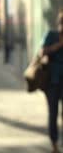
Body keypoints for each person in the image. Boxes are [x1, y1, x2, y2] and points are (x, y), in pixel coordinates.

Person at [42, 9, 63, 153]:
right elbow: (42, 52)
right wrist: (59, 45)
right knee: (53, 113)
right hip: (52, 82)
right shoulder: (52, 35)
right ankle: (54, 144)